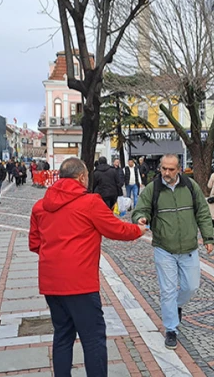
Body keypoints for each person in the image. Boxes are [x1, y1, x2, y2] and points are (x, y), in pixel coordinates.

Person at [29, 157, 146, 377]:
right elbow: (116, 230)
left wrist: (55, 255)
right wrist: (138, 231)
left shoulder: (40, 206)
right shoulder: (90, 202)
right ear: (82, 177)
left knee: (62, 335)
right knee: (93, 339)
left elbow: (35, 243)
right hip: (81, 284)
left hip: (51, 284)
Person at [131, 154, 214, 350]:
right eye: (163, 169)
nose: (166, 173)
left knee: (191, 287)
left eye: (171, 169)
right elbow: (140, 209)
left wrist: (208, 237)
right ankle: (171, 329)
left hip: (189, 248)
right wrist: (141, 217)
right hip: (164, 248)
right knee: (167, 290)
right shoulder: (153, 189)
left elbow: (202, 212)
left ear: (179, 169)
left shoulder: (190, 186)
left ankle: (175, 307)